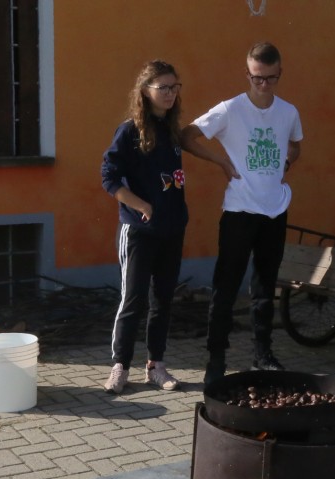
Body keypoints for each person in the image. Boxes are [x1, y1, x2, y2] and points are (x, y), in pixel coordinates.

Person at [180, 42, 303, 385]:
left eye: (270, 79)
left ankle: (262, 355)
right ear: (247, 74)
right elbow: (187, 136)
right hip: (239, 212)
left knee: (266, 287)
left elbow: (295, 144)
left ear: (280, 74)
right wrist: (220, 160)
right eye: (257, 79)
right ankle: (216, 359)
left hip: (275, 210)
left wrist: (287, 163)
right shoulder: (230, 110)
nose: (263, 85)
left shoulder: (288, 112)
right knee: (226, 286)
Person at [100, 60, 187, 394]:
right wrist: (141, 206)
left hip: (172, 229)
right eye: (163, 87)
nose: (170, 94)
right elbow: (108, 177)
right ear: (146, 91)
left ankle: (156, 366)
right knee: (133, 299)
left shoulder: (174, 129)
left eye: (175, 87)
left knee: (162, 299)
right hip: (137, 231)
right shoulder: (129, 131)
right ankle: (120, 366)